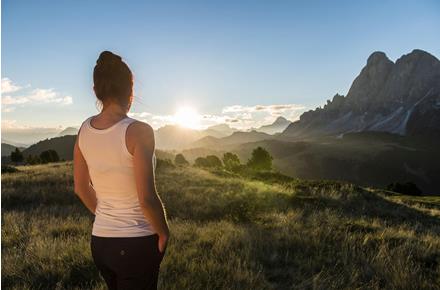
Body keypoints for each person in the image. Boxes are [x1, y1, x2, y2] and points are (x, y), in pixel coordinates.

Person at [73, 50, 170, 290]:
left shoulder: (84, 130)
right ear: (131, 91)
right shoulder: (140, 131)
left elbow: (81, 188)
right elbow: (146, 198)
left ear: (96, 90)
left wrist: (107, 214)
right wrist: (164, 232)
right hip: (136, 244)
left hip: (101, 243)